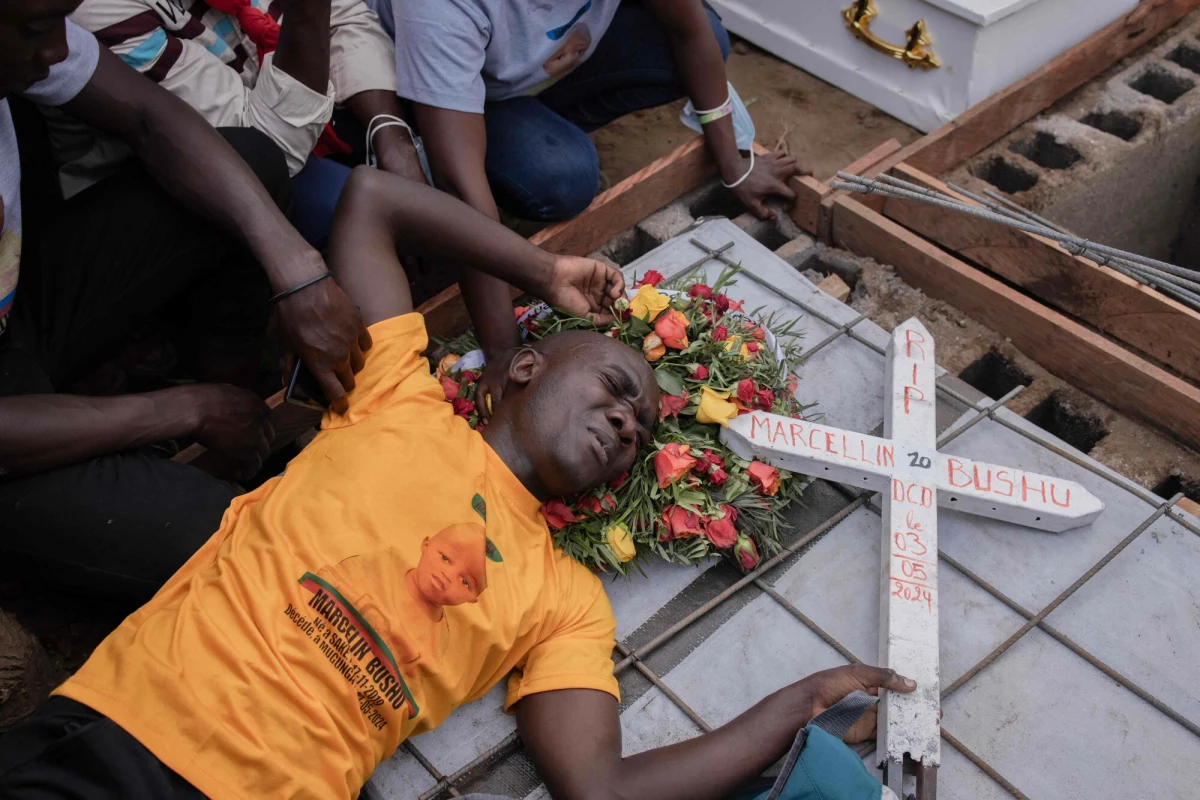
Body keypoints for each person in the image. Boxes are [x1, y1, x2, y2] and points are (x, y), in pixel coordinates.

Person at [0, 166, 915, 800]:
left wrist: (796, 705)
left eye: (638, 434)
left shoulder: (564, 601)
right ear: (521, 369)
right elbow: (372, 199)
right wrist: (542, 269)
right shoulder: (395, 393)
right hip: (126, 736)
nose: (628, 425)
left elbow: (599, 787)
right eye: (615, 390)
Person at [0, 0, 369, 599]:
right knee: (232, 542)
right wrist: (182, 412)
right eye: (37, 31)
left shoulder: (33, 34)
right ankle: (201, 427)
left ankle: (243, 423)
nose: (57, 50)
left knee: (249, 161)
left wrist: (297, 268)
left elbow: (154, 117)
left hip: (17, 317)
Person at [368, 0, 804, 423]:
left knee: (706, 39)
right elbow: (460, 187)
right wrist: (504, 352)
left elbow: (690, 30)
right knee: (563, 179)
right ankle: (447, 123)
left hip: (529, 66)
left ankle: (533, 126)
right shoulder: (443, 7)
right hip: (442, 73)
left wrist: (734, 166)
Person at [60, 0, 424, 246]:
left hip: (277, 109)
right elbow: (267, 152)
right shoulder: (101, 11)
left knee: (424, 153)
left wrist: (391, 134)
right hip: (183, 184)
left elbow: (343, 18)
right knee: (363, 209)